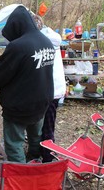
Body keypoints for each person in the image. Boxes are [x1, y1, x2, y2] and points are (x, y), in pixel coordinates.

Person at [0, 6, 55, 163]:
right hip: (42, 102)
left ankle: (21, 176)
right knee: (36, 138)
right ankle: (35, 163)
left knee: (14, 144)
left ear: (16, 27)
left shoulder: (19, 46)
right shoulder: (46, 41)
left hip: (19, 106)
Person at [39, 25, 66, 163]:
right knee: (48, 124)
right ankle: (45, 151)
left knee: (46, 126)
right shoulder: (54, 40)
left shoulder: (42, 42)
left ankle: (47, 158)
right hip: (56, 89)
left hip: (50, 90)